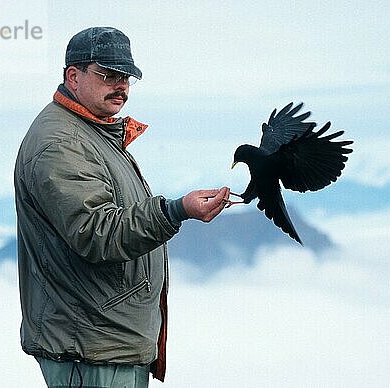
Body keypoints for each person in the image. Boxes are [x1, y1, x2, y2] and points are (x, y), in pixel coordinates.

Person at [13, 26, 229, 387]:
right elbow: (97, 233)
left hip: (104, 342)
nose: (121, 86)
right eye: (108, 75)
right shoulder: (60, 142)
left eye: (126, 76)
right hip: (88, 347)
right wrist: (175, 211)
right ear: (73, 76)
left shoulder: (92, 133)